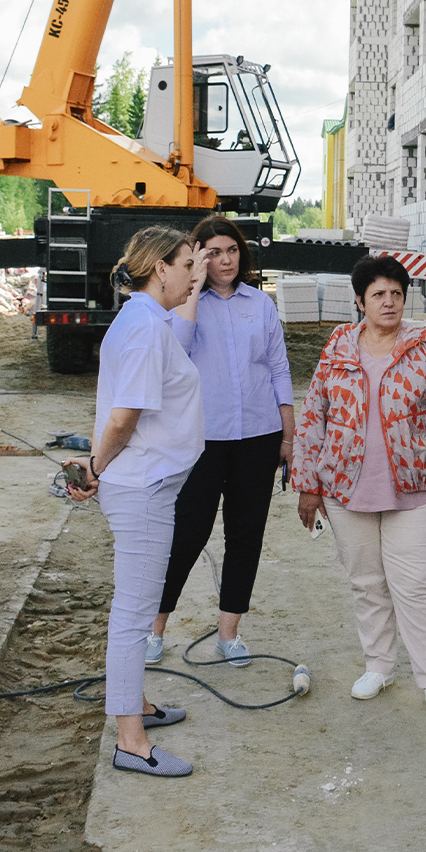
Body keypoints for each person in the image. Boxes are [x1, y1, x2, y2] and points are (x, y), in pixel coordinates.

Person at [292, 254, 426, 722]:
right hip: (346, 490)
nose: (388, 302)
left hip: (413, 492)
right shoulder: (338, 349)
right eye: (378, 294)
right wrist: (307, 484)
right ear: (360, 301)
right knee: (367, 584)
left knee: (416, 587)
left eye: (396, 293)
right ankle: (379, 665)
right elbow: (314, 417)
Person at [65, 226, 206, 778]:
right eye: (188, 264)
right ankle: (130, 740)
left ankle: (137, 705)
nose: (195, 275)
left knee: (136, 609)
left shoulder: (144, 321)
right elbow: (124, 417)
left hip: (146, 481)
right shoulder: (147, 329)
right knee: (133, 617)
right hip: (141, 486)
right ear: (159, 267)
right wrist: (96, 468)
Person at [147, 215, 294, 666]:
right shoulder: (182, 304)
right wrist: (192, 288)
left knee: (246, 535)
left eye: (231, 250)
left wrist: (289, 432)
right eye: (212, 252)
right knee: (187, 533)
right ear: (197, 257)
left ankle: (229, 633)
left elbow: (277, 367)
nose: (225, 260)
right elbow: (179, 347)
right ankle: (154, 628)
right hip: (203, 439)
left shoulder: (260, 304)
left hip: (258, 435)